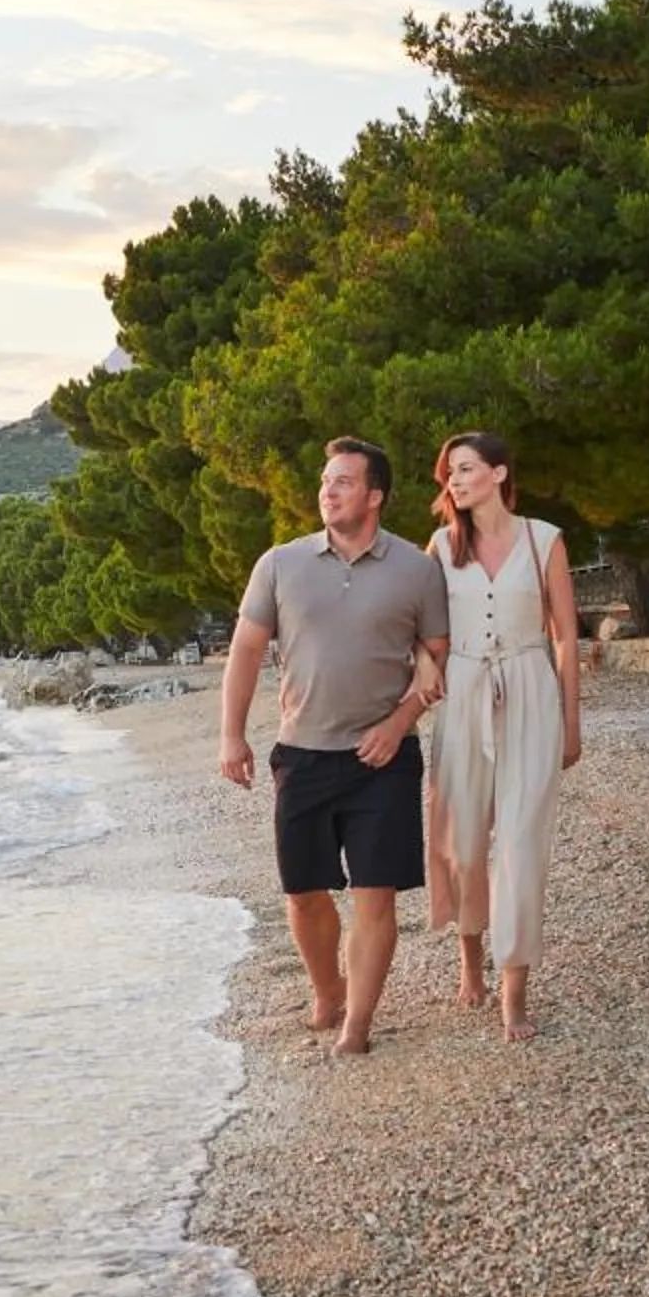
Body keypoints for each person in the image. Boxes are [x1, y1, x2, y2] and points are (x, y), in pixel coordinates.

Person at [218, 437, 450, 1056]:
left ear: (375, 495)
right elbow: (245, 650)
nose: (328, 490)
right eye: (325, 481)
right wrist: (231, 733)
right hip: (302, 753)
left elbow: (436, 661)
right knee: (303, 892)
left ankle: (359, 1024)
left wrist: (398, 723)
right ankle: (327, 989)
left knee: (374, 893)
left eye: (343, 481)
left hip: (383, 758)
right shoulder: (279, 564)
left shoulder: (417, 570)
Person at [418, 430, 583, 1042]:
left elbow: (565, 635)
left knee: (520, 844)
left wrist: (572, 721)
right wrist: (423, 662)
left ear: (499, 473)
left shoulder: (545, 540)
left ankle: (514, 990)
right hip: (462, 692)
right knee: (463, 841)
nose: (454, 482)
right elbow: (421, 628)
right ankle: (469, 964)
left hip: (530, 690)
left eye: (464, 469)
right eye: (449, 475)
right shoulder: (439, 546)